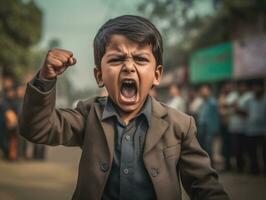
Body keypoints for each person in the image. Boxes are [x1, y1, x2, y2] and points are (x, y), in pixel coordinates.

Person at [19, 15, 229, 200]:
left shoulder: (180, 125)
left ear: (156, 75)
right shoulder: (87, 114)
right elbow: (36, 128)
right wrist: (45, 80)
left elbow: (204, 186)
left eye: (140, 59)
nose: (129, 67)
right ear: (99, 76)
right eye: (117, 59)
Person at [246, 81, 266, 175]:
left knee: (264, 153)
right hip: (251, 130)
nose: (255, 89)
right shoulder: (250, 100)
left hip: (263, 131)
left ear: (262, 88)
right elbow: (247, 112)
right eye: (254, 87)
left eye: (257, 87)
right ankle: (255, 170)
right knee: (252, 152)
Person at [198, 84, 220, 164]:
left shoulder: (213, 103)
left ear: (209, 91)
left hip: (209, 128)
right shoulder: (203, 102)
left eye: (205, 90)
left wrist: (214, 129)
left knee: (209, 148)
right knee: (204, 147)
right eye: (202, 91)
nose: (203, 92)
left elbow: (216, 117)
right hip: (202, 128)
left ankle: (211, 165)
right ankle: (206, 164)